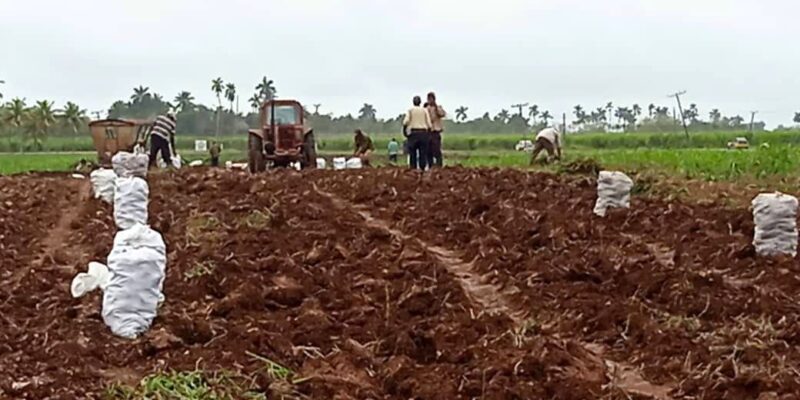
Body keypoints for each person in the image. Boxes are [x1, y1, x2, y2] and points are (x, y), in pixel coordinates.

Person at [402, 96, 432, 170]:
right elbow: (429, 124)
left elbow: (405, 121)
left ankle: (413, 169)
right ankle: (422, 168)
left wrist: (405, 131)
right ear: (420, 102)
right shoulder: (424, 110)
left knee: (413, 153)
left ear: (413, 102)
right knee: (423, 153)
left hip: (414, 133)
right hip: (423, 133)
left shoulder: (410, 110)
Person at [425, 92, 446, 168]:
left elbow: (442, 114)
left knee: (437, 150)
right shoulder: (426, 109)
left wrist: (436, 106)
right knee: (428, 151)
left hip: (436, 132)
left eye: (431, 99)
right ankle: (430, 166)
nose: (430, 100)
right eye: (429, 99)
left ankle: (439, 166)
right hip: (428, 132)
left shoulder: (438, 107)